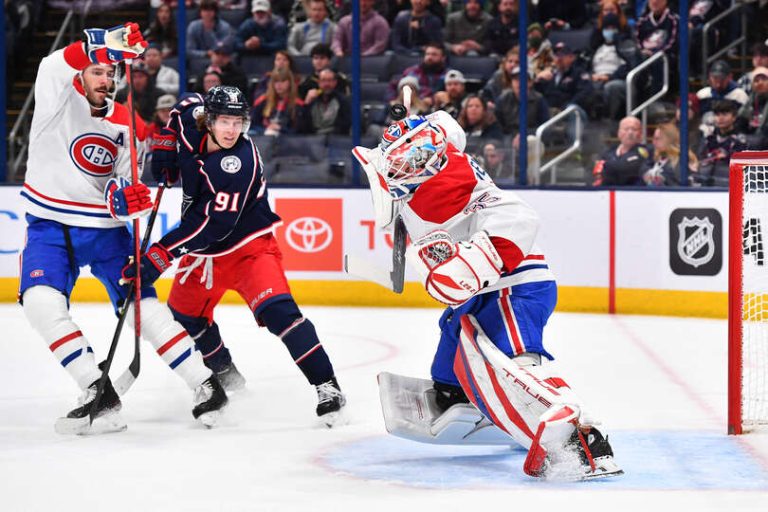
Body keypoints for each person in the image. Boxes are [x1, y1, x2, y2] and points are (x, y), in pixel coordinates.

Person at [353, 111, 621, 478]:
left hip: (514, 288)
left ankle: (585, 440)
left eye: (404, 163)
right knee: (451, 353)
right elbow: (447, 124)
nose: (396, 172)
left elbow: (520, 220)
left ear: (425, 162)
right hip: (484, 291)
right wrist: (414, 121)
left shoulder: (452, 189)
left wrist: (465, 268)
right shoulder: (444, 150)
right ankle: (462, 397)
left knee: (508, 366)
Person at [19, 22, 227, 434]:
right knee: (41, 303)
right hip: (50, 224)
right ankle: (97, 388)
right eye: (98, 70)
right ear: (82, 73)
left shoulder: (125, 122)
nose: (106, 79)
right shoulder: (55, 92)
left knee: (142, 307)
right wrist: (107, 45)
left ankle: (206, 384)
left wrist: (123, 196)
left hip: (105, 231)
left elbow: (125, 179)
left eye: (110, 73)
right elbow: (61, 60)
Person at [149, 86, 347, 426]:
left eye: (238, 122)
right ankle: (226, 380)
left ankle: (328, 388)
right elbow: (183, 105)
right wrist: (166, 141)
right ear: (208, 120)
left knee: (281, 316)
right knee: (184, 318)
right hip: (203, 256)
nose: (231, 130)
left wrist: (162, 252)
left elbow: (212, 226)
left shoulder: (237, 162)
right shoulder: (190, 119)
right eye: (224, 121)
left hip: (248, 249)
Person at [696, 100, 748, 186]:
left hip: (728, 183)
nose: (720, 118)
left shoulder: (740, 139)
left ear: (734, 117)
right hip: (705, 181)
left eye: (725, 114)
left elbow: (739, 164)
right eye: (717, 115)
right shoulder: (709, 136)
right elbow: (700, 156)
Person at [592, 116, 651, 186]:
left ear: (641, 134)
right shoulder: (608, 152)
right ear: (619, 133)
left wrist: (608, 167)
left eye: (634, 129)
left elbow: (628, 168)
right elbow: (599, 172)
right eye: (626, 129)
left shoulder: (646, 151)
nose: (630, 133)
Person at [697, 60, 749, 137]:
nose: (718, 83)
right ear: (710, 77)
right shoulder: (702, 95)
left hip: (731, 137)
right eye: (715, 78)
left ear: (730, 77)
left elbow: (743, 123)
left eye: (722, 79)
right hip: (704, 137)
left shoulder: (739, 95)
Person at [251, 67, 308, 135]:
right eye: (276, 81)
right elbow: (252, 124)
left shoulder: (298, 104)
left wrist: (280, 129)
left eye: (282, 81)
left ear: (290, 83)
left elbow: (300, 131)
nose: (279, 84)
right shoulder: (263, 101)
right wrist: (265, 130)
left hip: (287, 140)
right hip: (264, 138)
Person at [304, 68, 351, 135]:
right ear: (319, 83)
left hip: (335, 138)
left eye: (329, 80)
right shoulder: (312, 99)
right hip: (313, 139)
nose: (326, 84)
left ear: (335, 82)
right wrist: (306, 103)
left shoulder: (343, 101)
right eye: (323, 80)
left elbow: (345, 125)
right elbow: (303, 127)